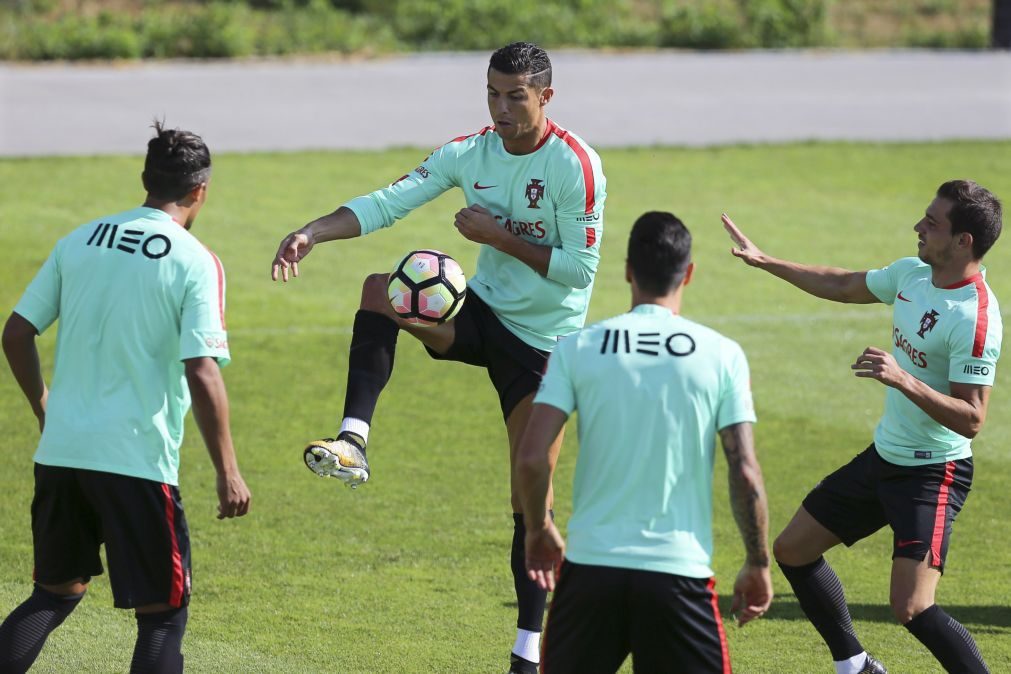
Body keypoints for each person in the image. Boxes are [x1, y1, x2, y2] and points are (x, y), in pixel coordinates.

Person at [269, 41, 605, 673]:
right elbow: (387, 201)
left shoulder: (575, 166)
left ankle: (527, 653)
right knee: (379, 292)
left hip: (545, 347)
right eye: (492, 93)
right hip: (480, 314)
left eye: (515, 96)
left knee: (530, 496)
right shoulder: (467, 152)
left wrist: (498, 236)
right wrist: (312, 231)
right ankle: (353, 442)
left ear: (546, 98)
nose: (501, 109)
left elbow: (578, 271)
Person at [0, 121, 252, 673]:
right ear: (200, 190)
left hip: (62, 453)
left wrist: (46, 406)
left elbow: (16, 332)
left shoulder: (80, 239)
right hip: (136, 461)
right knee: (163, 615)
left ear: (145, 178)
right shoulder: (193, 259)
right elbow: (202, 370)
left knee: (54, 593)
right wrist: (228, 470)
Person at [722, 179, 1001, 674]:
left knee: (912, 608)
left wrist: (902, 379)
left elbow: (973, 418)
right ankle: (855, 665)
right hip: (885, 456)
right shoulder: (912, 275)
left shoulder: (975, 319)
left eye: (932, 223)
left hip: (933, 474)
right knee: (792, 550)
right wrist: (768, 262)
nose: (919, 226)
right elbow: (843, 283)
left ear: (964, 242)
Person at [519, 211, 773, 673]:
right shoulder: (721, 355)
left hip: (590, 573)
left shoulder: (576, 347)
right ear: (689, 273)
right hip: (679, 577)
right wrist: (758, 561)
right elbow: (745, 470)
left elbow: (534, 458)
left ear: (628, 270)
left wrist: (537, 530)